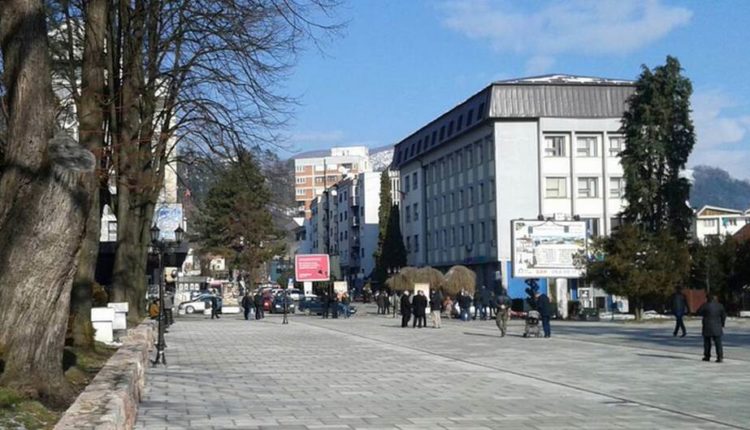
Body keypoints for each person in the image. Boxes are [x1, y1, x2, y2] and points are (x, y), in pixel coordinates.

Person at [697, 295, 727, 363]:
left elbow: (698, 312)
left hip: (707, 325)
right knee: (718, 343)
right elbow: (723, 315)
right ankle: (720, 356)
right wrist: (722, 323)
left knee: (707, 342)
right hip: (717, 326)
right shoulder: (720, 306)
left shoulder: (705, 305)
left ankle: (707, 356)